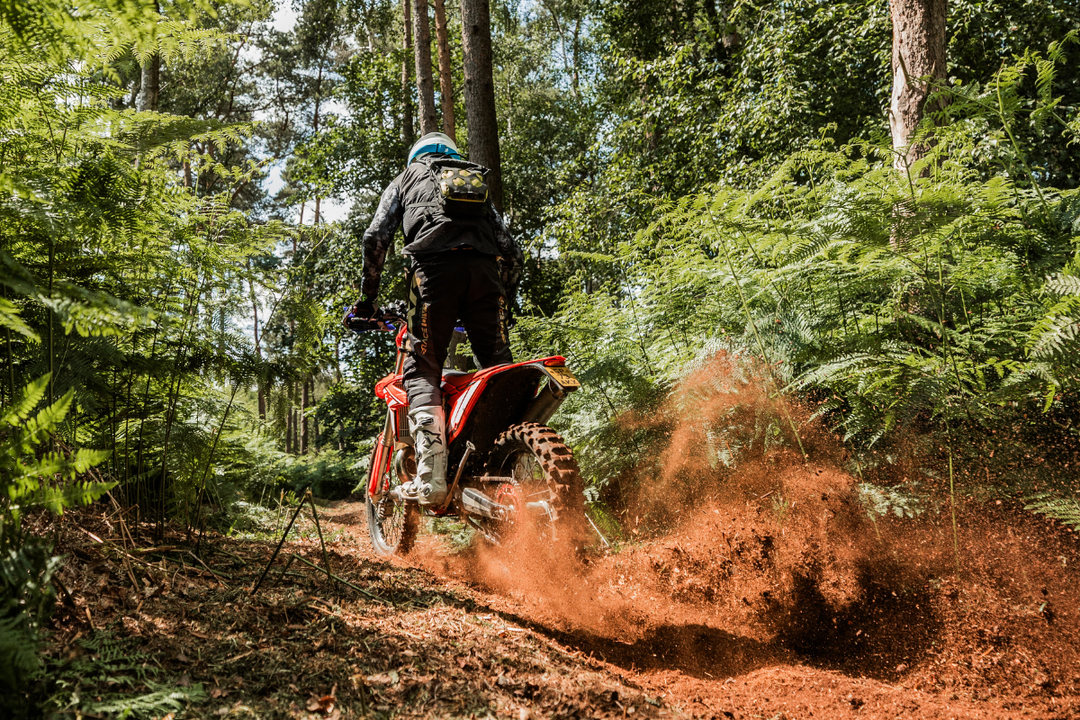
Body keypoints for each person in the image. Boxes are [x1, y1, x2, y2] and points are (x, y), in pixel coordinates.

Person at [346, 132, 524, 506]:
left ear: (416, 155)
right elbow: (512, 251)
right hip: (486, 278)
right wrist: (500, 298)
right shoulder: (474, 181)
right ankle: (510, 465)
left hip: (433, 276)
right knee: (498, 368)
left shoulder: (407, 178)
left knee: (422, 367)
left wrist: (367, 301)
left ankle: (432, 478)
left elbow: (375, 238)